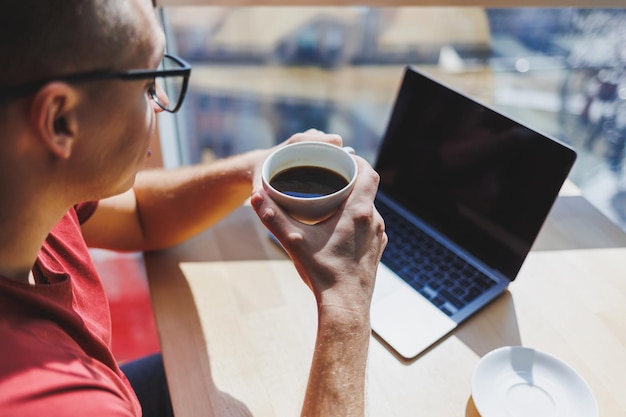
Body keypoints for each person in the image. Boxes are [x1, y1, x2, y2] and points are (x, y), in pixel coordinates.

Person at [0, 1, 387, 417]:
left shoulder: (32, 188)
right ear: (60, 120)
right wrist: (346, 303)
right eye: (148, 84)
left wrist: (257, 166)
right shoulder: (58, 400)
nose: (161, 101)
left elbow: (140, 216)